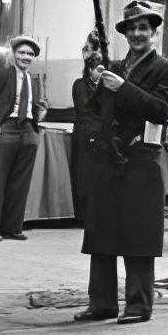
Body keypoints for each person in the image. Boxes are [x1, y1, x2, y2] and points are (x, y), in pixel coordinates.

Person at [74, 0, 168, 325]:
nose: (137, 33)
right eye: (132, 28)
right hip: (109, 159)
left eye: (143, 28)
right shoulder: (112, 67)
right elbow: (91, 108)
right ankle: (102, 303)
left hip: (141, 161)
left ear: (153, 32)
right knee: (101, 233)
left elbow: (160, 109)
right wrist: (99, 137)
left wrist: (123, 88)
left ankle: (138, 305)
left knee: (138, 236)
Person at [0, 35, 47, 240]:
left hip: (28, 130)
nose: (26, 57)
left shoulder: (33, 79)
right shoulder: (0, 73)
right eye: (22, 52)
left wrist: (36, 127)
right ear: (14, 54)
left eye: (30, 54)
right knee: (0, 179)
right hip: (6, 128)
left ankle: (13, 228)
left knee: (21, 181)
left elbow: (37, 105)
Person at [70, 31, 104, 224]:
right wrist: (94, 133)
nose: (100, 73)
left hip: (99, 135)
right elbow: (85, 111)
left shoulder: (104, 86)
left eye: (103, 70)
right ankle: (83, 215)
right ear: (89, 70)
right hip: (85, 135)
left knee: (96, 175)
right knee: (84, 174)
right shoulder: (80, 85)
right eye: (98, 70)